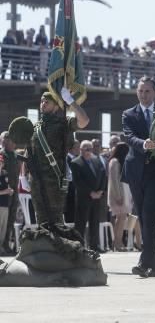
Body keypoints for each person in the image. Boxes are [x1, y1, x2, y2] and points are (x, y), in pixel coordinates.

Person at [122, 76, 155, 278]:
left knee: (149, 214)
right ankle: (153, 264)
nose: (144, 95)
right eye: (140, 91)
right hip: (136, 171)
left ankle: (144, 262)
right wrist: (144, 143)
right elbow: (129, 136)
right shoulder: (128, 114)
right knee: (143, 216)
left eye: (147, 91)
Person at [28, 89, 89, 225]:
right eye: (42, 101)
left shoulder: (63, 123)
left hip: (54, 181)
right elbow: (29, 153)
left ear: (56, 106)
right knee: (40, 221)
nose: (43, 104)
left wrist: (70, 101)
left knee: (55, 222)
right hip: (36, 181)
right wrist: (23, 175)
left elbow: (84, 121)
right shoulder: (35, 128)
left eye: (47, 102)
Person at [70, 140, 107, 252]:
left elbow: (103, 176)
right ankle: (79, 246)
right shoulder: (75, 162)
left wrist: (100, 191)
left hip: (97, 197)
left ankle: (94, 246)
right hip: (84, 198)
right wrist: (90, 192)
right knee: (81, 223)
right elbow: (78, 182)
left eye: (90, 149)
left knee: (94, 222)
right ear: (81, 150)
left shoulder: (97, 160)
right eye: (86, 149)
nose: (89, 151)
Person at [107, 142, 134, 252]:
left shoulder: (122, 162)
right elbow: (114, 181)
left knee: (122, 219)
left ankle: (118, 241)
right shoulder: (114, 162)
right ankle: (117, 242)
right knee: (120, 218)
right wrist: (118, 196)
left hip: (125, 193)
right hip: (117, 194)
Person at [0, 131, 19, 254]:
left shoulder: (15, 155)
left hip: (14, 192)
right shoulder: (2, 155)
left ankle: (7, 245)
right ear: (4, 141)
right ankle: (2, 245)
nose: (15, 143)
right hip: (4, 193)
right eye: (12, 140)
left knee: (11, 220)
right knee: (3, 221)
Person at [0, 154, 15, 255]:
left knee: (3, 229)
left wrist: (10, 190)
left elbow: (7, 186)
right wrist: (5, 191)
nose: (1, 164)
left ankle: (0, 248)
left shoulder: (4, 174)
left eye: (1, 162)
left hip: (5, 204)